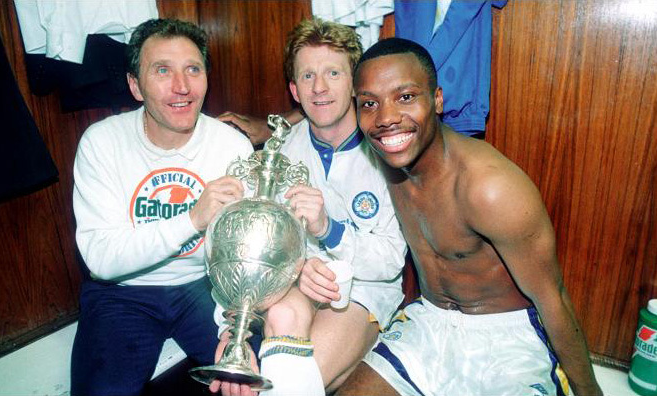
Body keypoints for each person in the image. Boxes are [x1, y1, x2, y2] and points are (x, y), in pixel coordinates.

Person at [339, 37, 603, 396]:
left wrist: (590, 391)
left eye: (405, 97)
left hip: (507, 341)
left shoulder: (489, 187)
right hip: (430, 324)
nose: (386, 118)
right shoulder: (384, 156)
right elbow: (328, 117)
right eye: (370, 103)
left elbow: (552, 298)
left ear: (437, 100)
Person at [210, 18, 407, 396]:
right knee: (282, 319)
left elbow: (391, 260)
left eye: (333, 72)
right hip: (294, 283)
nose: (319, 87)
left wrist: (328, 230)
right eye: (307, 76)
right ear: (294, 90)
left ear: (353, 83)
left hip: (363, 287)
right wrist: (232, 330)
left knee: (288, 383)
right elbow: (244, 251)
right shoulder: (278, 153)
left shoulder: (386, 148)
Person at [70, 18, 253, 396]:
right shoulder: (102, 143)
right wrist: (191, 219)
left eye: (193, 69)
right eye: (162, 71)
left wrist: (232, 327)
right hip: (122, 292)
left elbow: (244, 258)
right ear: (135, 86)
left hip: (205, 287)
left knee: (254, 382)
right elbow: (102, 259)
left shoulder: (231, 147)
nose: (182, 87)